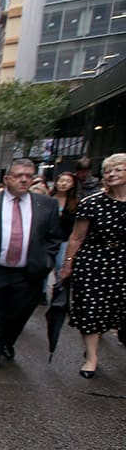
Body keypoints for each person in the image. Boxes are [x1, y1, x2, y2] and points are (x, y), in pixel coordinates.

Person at [0, 158, 61, 369]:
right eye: (18, 176)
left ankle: (7, 342)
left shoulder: (46, 205)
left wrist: (47, 261)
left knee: (19, 311)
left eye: (28, 176)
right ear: (7, 178)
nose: (24, 180)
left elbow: (54, 237)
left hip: (29, 270)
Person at [59, 153, 126, 378]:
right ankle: (91, 357)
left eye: (118, 169)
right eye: (108, 170)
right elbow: (77, 237)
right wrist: (68, 265)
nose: (112, 174)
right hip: (94, 262)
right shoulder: (92, 203)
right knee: (91, 310)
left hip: (123, 263)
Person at [50, 171, 79, 284]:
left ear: (72, 184)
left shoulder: (75, 202)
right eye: (61, 181)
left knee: (60, 266)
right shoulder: (48, 199)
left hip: (64, 239)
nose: (63, 184)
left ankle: (59, 289)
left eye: (67, 181)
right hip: (46, 238)